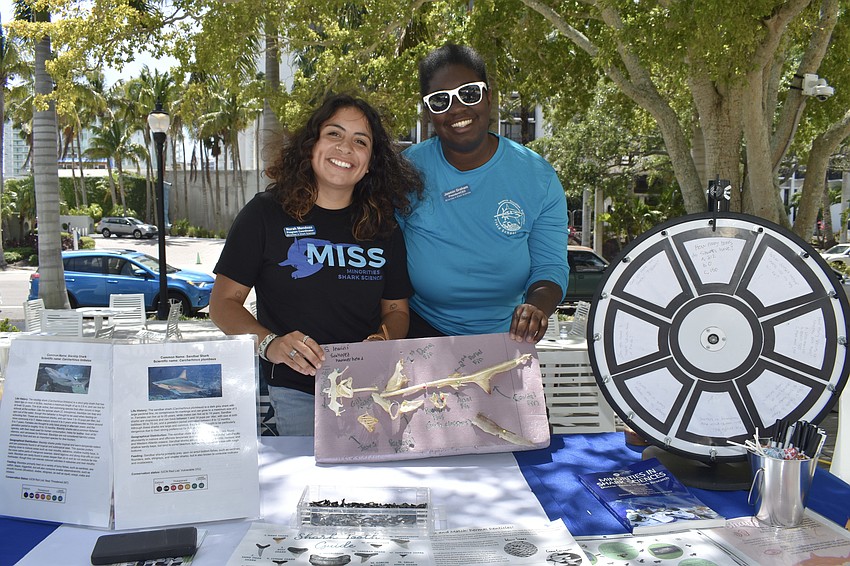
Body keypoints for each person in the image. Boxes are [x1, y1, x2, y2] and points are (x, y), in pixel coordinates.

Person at [210, 94, 423, 435]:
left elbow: (396, 309)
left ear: (370, 162)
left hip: (370, 387)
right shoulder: (264, 214)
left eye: (360, 141)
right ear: (311, 145)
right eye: (334, 134)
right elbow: (223, 303)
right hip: (296, 389)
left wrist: (382, 339)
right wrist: (270, 343)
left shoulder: (383, 227)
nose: (345, 148)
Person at [398, 43, 569, 343]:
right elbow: (383, 253)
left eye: (469, 93)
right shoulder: (406, 171)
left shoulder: (537, 176)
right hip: (420, 331)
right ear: (428, 112)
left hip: (508, 336)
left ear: (489, 97)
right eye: (440, 100)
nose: (457, 109)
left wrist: (535, 308)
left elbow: (550, 266)